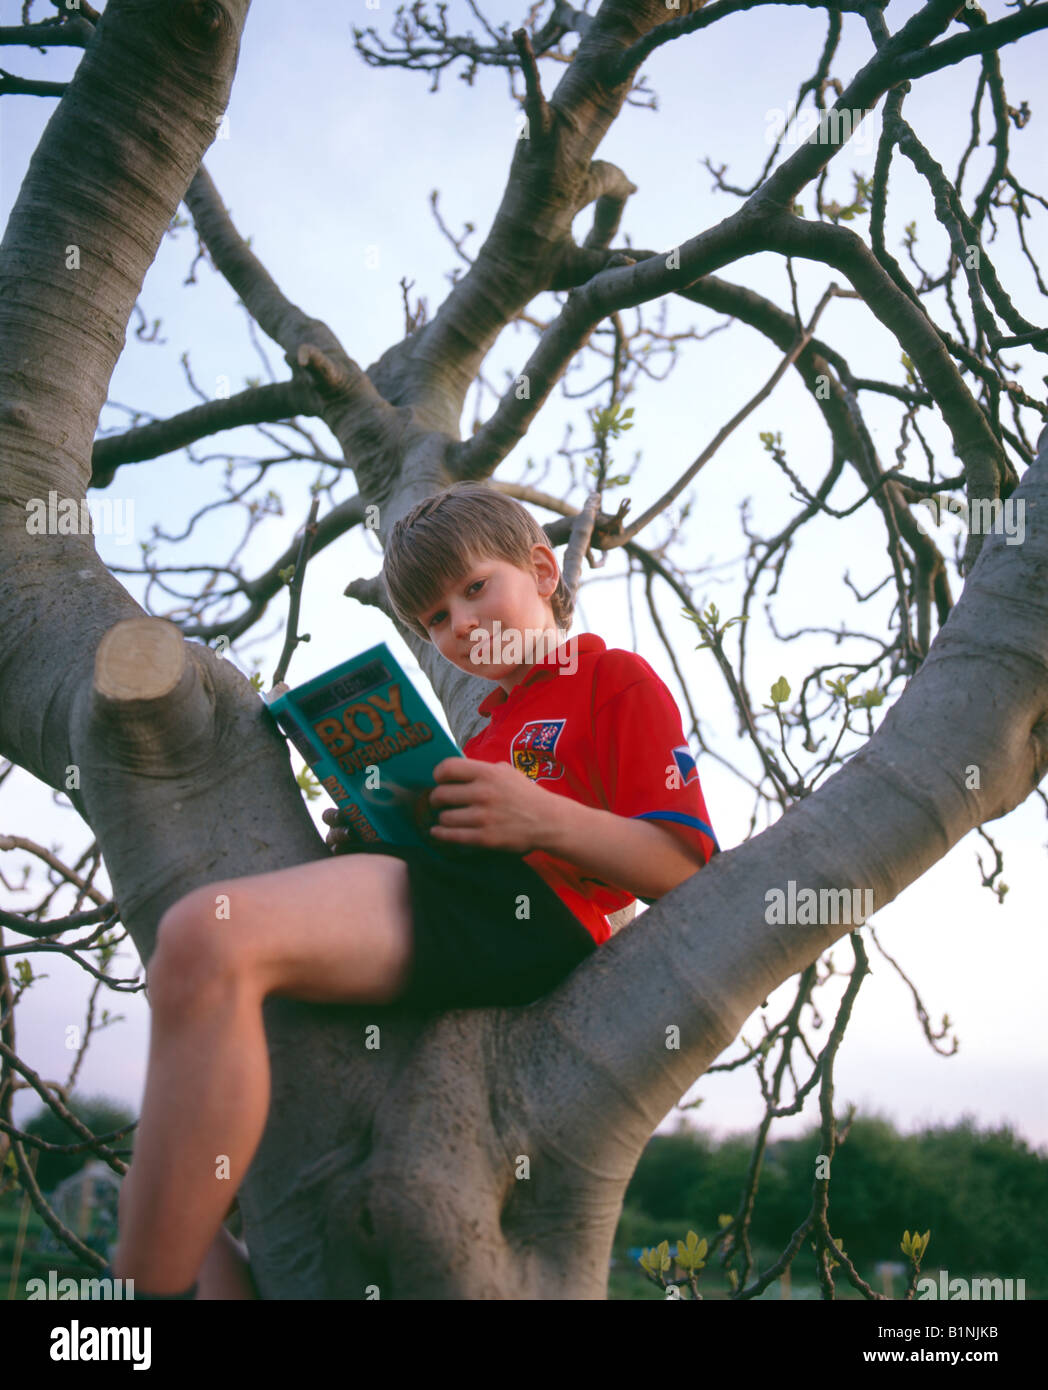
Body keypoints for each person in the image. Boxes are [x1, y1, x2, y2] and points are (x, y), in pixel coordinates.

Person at [108, 481, 718, 1299]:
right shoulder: (488, 727)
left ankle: (129, 1310)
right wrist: (383, 829)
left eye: (475, 589)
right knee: (162, 1176)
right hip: (454, 903)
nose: (460, 625)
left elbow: (684, 871)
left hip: (534, 921)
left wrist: (540, 817)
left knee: (203, 939)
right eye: (435, 618)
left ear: (543, 570)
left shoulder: (614, 678)